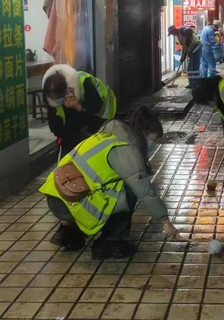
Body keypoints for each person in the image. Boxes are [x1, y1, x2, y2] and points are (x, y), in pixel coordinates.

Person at [40, 106, 181, 260]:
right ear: (143, 134)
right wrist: (165, 221)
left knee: (106, 183)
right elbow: (144, 191)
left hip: (56, 195)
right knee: (129, 189)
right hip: (70, 202)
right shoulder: (126, 149)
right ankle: (110, 243)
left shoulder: (109, 134)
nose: (154, 145)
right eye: (153, 140)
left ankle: (70, 233)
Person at [43, 64, 117, 156]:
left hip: (101, 109)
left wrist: (78, 107)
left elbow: (96, 106)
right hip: (80, 111)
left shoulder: (84, 81)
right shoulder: (51, 92)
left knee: (95, 138)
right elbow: (55, 125)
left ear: (66, 90)